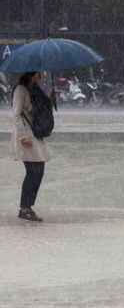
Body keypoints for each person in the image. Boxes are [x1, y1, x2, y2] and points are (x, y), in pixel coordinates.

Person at [11, 72, 55, 222]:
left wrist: (51, 100)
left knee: (39, 170)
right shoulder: (21, 89)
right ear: (30, 73)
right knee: (33, 171)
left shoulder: (34, 88)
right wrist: (23, 136)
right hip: (26, 135)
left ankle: (28, 206)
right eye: (38, 72)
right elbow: (15, 114)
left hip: (35, 132)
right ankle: (25, 208)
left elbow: (39, 108)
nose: (40, 75)